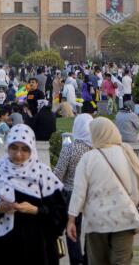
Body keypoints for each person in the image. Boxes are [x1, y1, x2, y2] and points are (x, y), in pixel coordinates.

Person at [66, 118, 139, 265]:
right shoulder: (126, 153)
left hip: (96, 221)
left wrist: (71, 220)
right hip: (124, 218)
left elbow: (79, 192)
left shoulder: (88, 158)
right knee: (122, 261)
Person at [0, 125, 68, 265]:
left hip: (37, 252)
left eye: (25, 149)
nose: (18, 154)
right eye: (14, 147)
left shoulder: (43, 176)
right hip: (2, 252)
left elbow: (59, 216)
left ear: (32, 149)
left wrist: (35, 210)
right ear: (7, 146)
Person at [54, 114, 93, 265]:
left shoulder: (69, 148)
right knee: (90, 228)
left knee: (72, 229)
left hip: (71, 194)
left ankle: (76, 260)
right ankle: (89, 258)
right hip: (91, 194)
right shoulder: (95, 149)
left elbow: (58, 174)